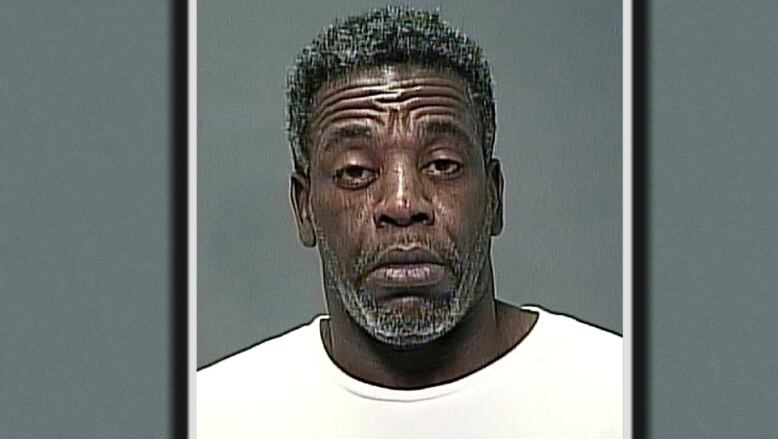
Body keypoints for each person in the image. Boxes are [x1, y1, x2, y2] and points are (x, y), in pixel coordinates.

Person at [198, 6, 622, 438]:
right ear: (304, 206)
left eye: (442, 164)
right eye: (356, 172)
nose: (403, 203)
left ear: (494, 196)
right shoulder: (212, 416)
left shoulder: (619, 396)